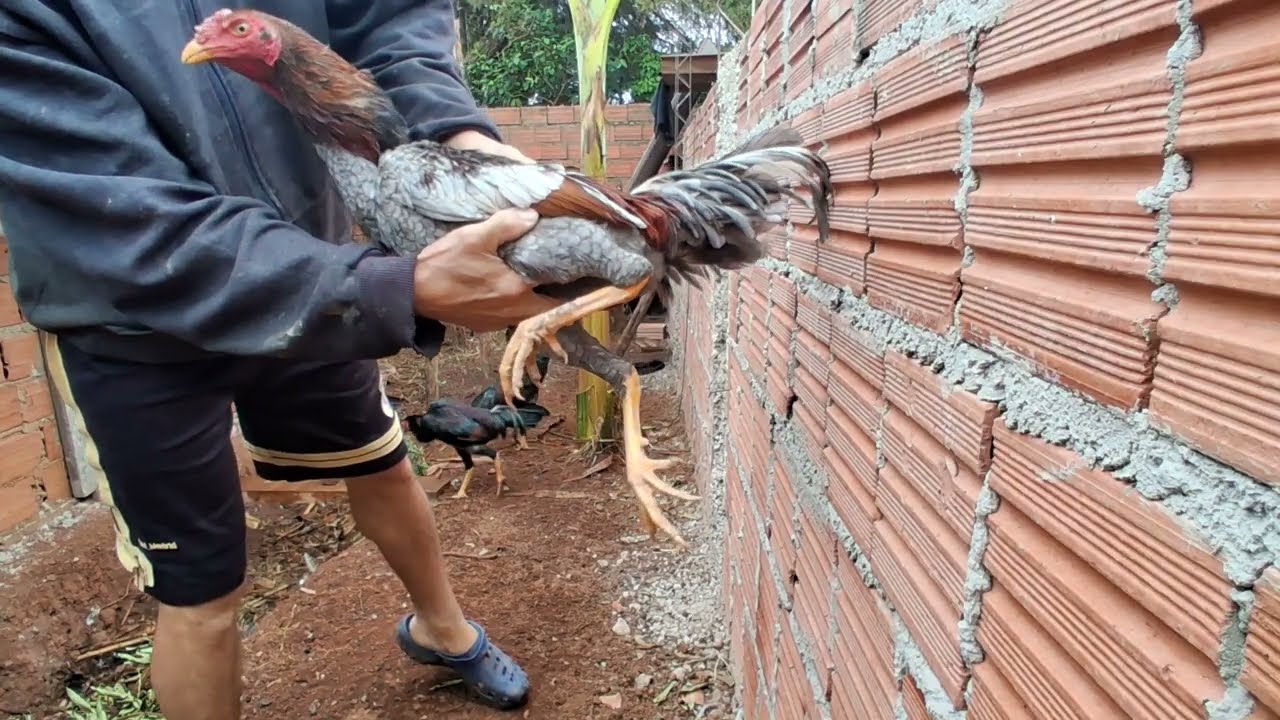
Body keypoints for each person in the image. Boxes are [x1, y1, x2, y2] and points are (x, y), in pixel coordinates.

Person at [0, 2, 556, 717]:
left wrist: (459, 135)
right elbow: (113, 203)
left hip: (307, 274)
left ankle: (441, 628)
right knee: (198, 589)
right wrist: (394, 287)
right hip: (131, 318)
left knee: (382, 466)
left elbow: (389, 17)